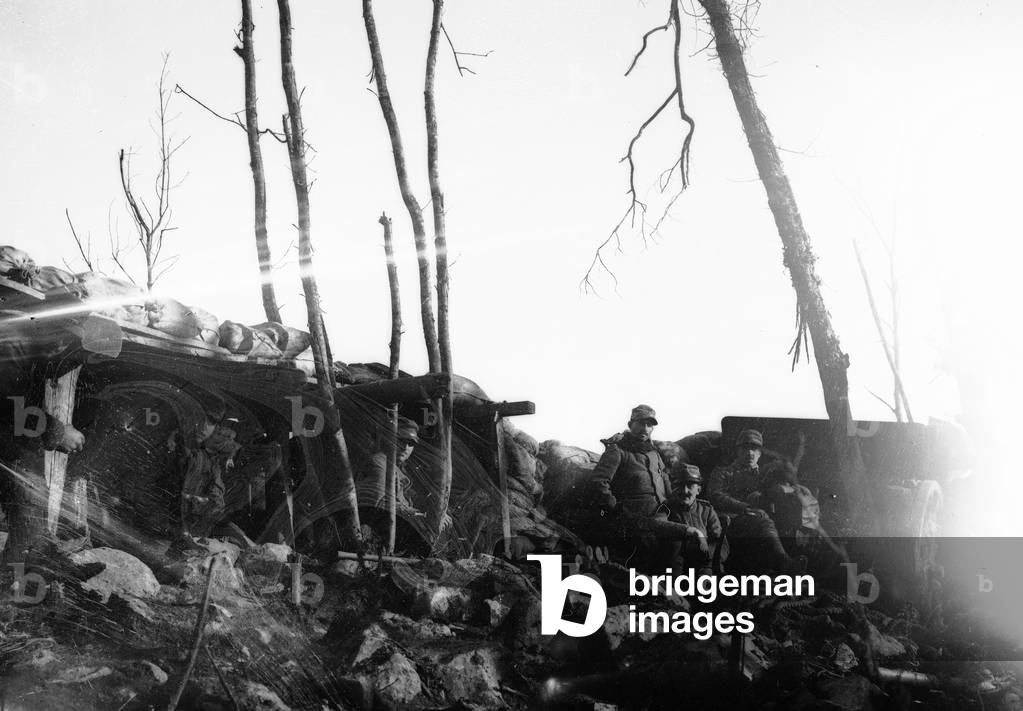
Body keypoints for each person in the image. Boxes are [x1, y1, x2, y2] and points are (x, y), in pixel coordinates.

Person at [586, 405, 703, 572]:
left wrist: (678, 503)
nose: (645, 429)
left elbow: (666, 482)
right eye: (641, 423)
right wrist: (616, 508)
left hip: (662, 514)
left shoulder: (654, 454)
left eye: (649, 425)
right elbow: (598, 482)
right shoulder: (618, 451)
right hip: (634, 517)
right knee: (672, 543)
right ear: (630, 424)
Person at [707, 429, 804, 573]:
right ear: (738, 451)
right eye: (745, 448)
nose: (750, 453)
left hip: (757, 518)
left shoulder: (764, 475)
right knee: (763, 521)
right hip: (731, 520)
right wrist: (744, 507)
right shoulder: (723, 472)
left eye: (755, 449)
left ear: (760, 453)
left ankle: (790, 561)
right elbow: (715, 496)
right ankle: (784, 562)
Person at [668, 464, 724, 575]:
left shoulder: (707, 510)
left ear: (698, 490)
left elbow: (720, 542)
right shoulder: (667, 509)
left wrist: (708, 560)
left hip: (704, 565)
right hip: (675, 568)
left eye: (690, 486)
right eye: (679, 485)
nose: (684, 491)